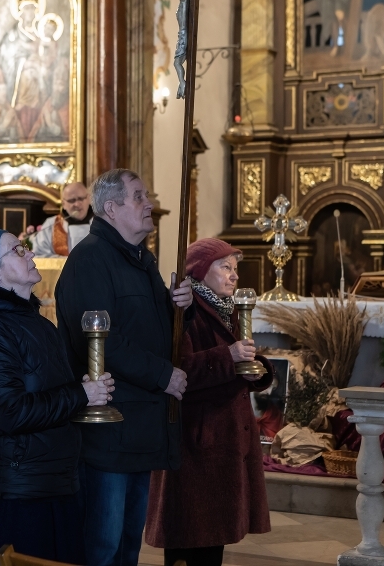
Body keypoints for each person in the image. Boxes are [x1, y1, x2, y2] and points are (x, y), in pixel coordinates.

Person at [0, 228, 115, 565]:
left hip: (53, 482)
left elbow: (46, 394)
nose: (30, 253)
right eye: (17, 250)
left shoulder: (33, 323)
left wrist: (83, 392)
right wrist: (80, 394)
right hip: (19, 492)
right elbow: (9, 412)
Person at [55, 168, 193, 566]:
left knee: (128, 544)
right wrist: (163, 375)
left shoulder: (141, 260)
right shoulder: (89, 260)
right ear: (112, 208)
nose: (149, 204)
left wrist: (180, 309)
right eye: (138, 197)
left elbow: (155, 332)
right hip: (109, 430)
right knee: (102, 545)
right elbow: (101, 341)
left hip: (140, 427)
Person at [145, 238, 273, 566]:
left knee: (212, 541)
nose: (234, 276)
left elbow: (237, 363)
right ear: (200, 271)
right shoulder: (184, 312)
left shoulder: (225, 309)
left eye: (236, 268)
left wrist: (257, 369)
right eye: (226, 267)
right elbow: (177, 372)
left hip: (223, 443)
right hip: (196, 445)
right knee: (189, 539)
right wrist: (228, 356)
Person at [31, 181, 92, 257]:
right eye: (72, 200)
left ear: (89, 199)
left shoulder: (103, 223)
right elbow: (39, 256)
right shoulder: (51, 225)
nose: (77, 204)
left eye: (81, 199)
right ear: (63, 204)